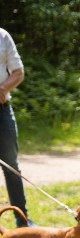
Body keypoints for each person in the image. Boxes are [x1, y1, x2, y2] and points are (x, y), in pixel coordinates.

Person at [0, 27, 33, 227]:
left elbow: (18, 72)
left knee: (11, 166)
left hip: (3, 111)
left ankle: (23, 223)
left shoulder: (2, 36)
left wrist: (3, 88)